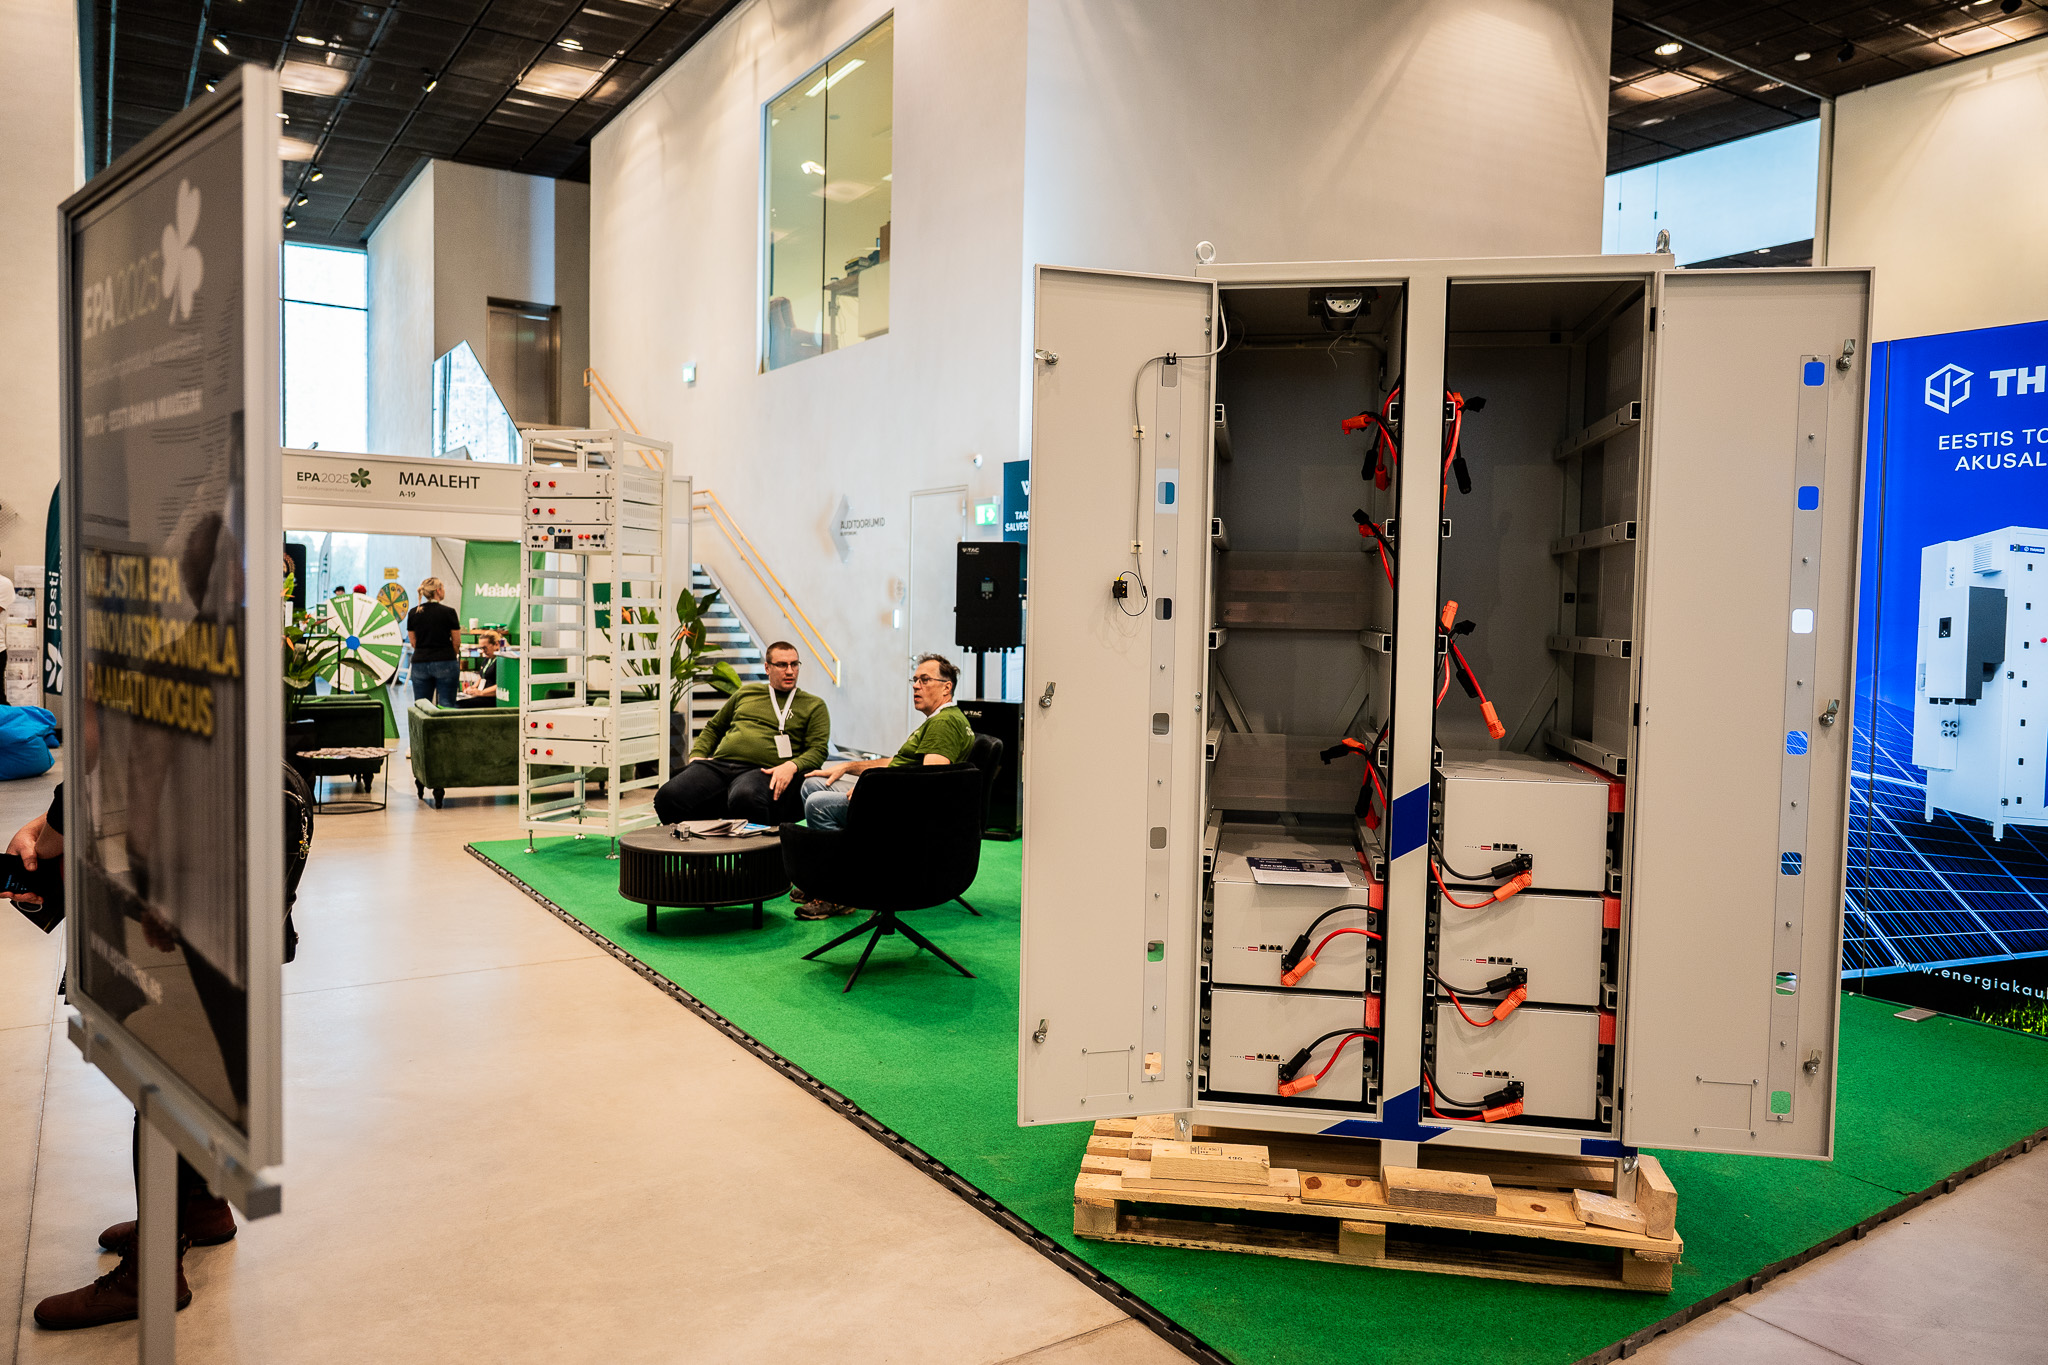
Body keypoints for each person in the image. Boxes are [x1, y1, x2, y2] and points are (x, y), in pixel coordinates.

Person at [795, 652, 976, 920]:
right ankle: (831, 875)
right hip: (892, 795)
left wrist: (872, 789)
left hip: (902, 812)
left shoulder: (945, 724)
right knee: (813, 784)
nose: (916, 686)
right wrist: (848, 767)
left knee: (817, 804)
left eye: (925, 680)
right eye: (915, 680)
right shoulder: (942, 719)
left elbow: (930, 783)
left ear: (946, 687)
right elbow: (897, 762)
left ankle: (838, 893)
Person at [653, 641, 829, 826]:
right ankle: (700, 841)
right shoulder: (747, 693)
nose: (790, 671)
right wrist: (697, 755)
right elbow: (714, 727)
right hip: (721, 764)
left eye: (794, 664)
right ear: (767, 668)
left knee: (745, 796)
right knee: (668, 796)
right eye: (782, 665)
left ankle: (758, 845)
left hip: (764, 769)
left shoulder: (813, 705)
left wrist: (792, 765)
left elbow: (818, 750)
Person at [406, 577, 462, 707]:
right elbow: (456, 641)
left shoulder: (413, 613)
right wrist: (450, 655)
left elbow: (413, 642)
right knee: (447, 704)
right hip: (445, 662)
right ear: (438, 590)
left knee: (422, 706)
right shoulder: (449, 612)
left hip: (420, 663)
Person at [454, 630, 503, 709]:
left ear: (496, 644)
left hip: (490, 697)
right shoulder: (488, 659)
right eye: (481, 648)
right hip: (481, 694)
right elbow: (482, 677)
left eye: (485, 648)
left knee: (460, 705)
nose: (483, 651)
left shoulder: (502, 662)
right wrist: (473, 687)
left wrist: (481, 692)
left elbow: (501, 686)